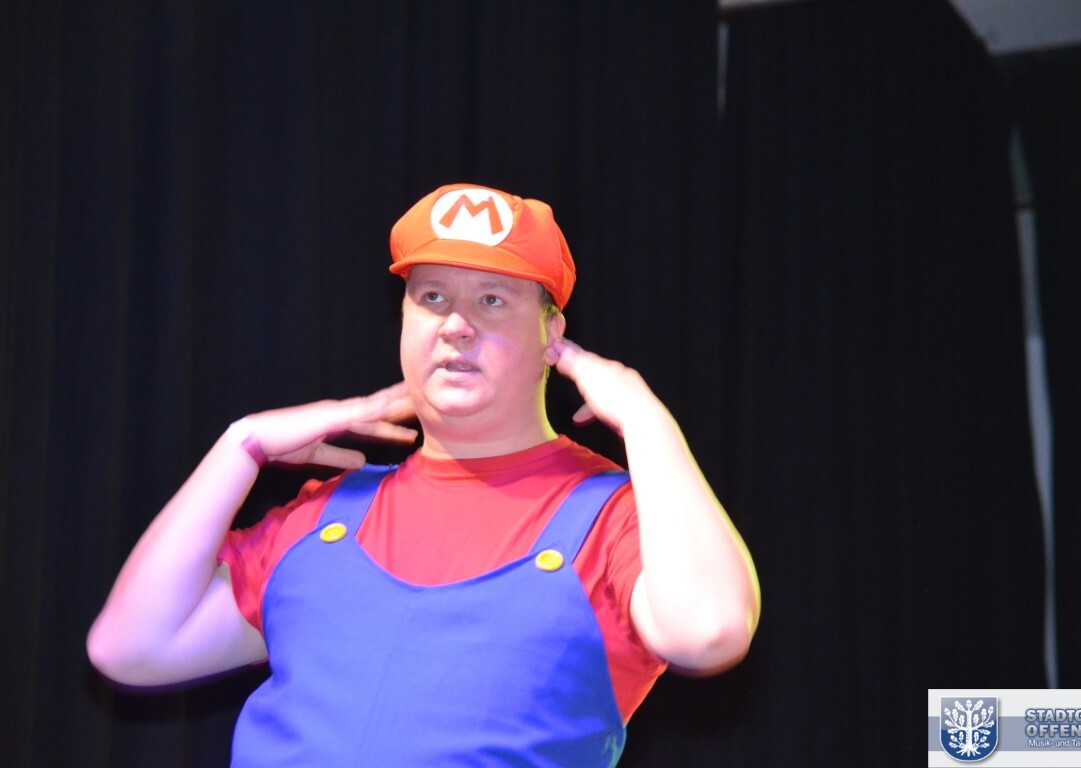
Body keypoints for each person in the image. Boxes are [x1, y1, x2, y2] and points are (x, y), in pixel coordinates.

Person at [88, 183, 761, 766]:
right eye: (432, 297)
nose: (456, 325)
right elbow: (132, 647)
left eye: (492, 299)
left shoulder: (616, 516)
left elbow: (708, 632)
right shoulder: (325, 514)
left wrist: (645, 420)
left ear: (552, 335)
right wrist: (240, 448)